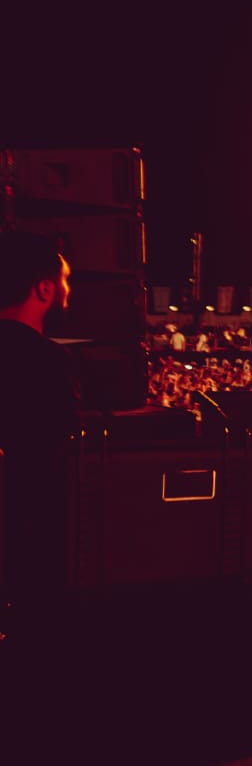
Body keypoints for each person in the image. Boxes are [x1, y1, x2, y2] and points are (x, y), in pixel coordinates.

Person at [0, 232, 79, 603]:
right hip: (26, 531)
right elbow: (57, 448)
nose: (68, 291)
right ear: (44, 289)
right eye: (65, 281)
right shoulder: (47, 361)